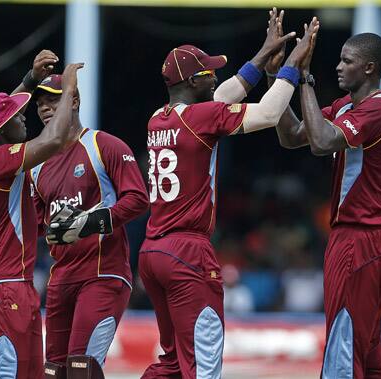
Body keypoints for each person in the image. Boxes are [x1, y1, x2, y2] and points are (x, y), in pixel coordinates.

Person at [138, 8, 319, 378]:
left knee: (172, 362)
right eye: (210, 70)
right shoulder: (201, 118)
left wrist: (262, 54)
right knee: (203, 363)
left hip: (153, 249)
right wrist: (291, 68)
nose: (218, 74)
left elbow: (221, 94)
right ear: (193, 81)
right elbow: (269, 114)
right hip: (188, 251)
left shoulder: (159, 117)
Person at [270, 32, 381, 378]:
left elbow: (322, 142)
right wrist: (277, 78)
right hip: (359, 236)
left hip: (363, 236)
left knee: (344, 342)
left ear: (369, 68)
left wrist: (305, 77)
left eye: (347, 60)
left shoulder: (379, 109)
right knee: (364, 347)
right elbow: (292, 136)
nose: (339, 67)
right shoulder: (346, 106)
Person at [0, 50, 82, 379]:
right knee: (7, 373)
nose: (24, 117)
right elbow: (55, 139)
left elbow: (4, 115)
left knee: (28, 374)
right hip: (2, 284)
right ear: (2, 132)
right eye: (17, 118)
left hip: (8, 281)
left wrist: (30, 79)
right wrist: (69, 88)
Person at [30, 73, 150, 378]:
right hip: (60, 281)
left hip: (102, 274)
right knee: (53, 373)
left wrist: (87, 222)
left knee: (81, 369)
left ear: (75, 101)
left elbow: (138, 199)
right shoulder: (38, 165)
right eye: (41, 103)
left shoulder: (103, 145)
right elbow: (37, 225)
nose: (45, 108)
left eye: (53, 100)